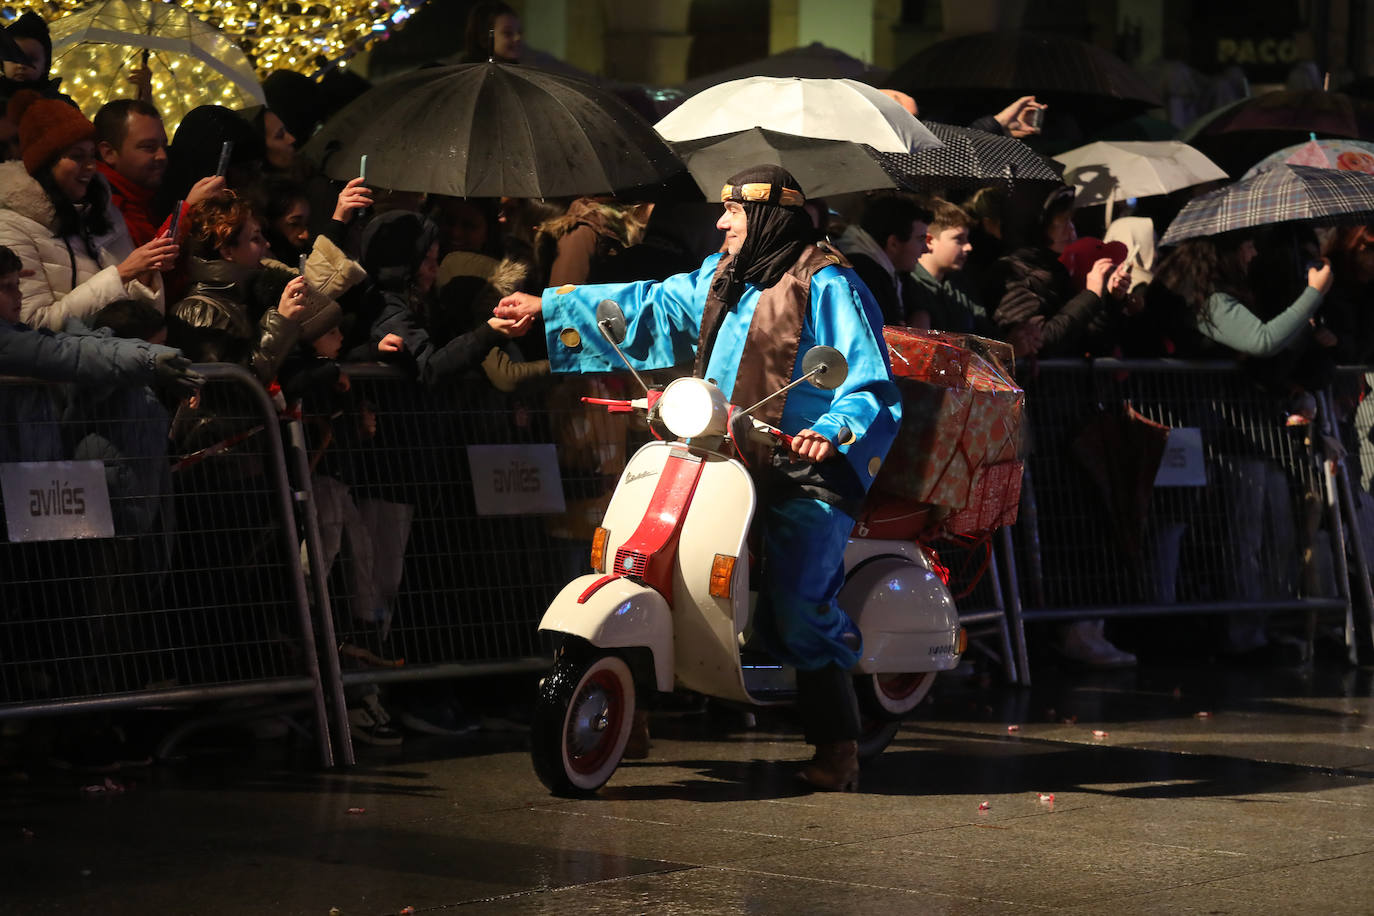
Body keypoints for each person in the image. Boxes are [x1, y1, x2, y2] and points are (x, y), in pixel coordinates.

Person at [496, 164, 902, 791]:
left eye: (733, 213)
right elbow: (650, 304)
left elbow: (867, 378)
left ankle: (838, 744)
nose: (720, 222)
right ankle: (633, 707)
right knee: (655, 561)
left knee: (797, 602)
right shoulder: (722, 276)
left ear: (766, 218)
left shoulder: (830, 283)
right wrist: (548, 306)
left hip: (799, 465)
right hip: (719, 450)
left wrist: (834, 428)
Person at [0, 90, 177, 331]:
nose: (91, 166)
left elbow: (141, 312)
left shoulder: (101, 208)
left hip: (124, 355)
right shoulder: (10, 226)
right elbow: (32, 325)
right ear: (46, 162)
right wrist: (122, 274)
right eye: (77, 156)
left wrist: (144, 275)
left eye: (91, 155)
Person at [94, 99, 226, 248]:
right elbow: (148, 265)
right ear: (109, 153)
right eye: (148, 147)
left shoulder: (139, 194)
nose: (162, 155)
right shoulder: (101, 206)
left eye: (164, 145)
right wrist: (189, 209)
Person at [836, 194, 929, 327]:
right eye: (920, 239)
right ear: (893, 244)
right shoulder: (861, 275)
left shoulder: (895, 269)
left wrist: (920, 313)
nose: (925, 249)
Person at [0, 12, 76, 109]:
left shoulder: (61, 105)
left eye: (31, 59)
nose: (21, 65)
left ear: (45, 65)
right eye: (14, 57)